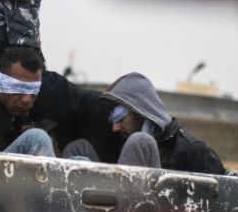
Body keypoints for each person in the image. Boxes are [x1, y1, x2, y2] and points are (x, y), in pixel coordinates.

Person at [95, 72, 226, 174]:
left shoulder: (194, 151)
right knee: (81, 148)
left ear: (141, 111)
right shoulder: (121, 142)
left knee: (140, 141)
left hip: (156, 208)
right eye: (112, 121)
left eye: (120, 119)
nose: (115, 128)